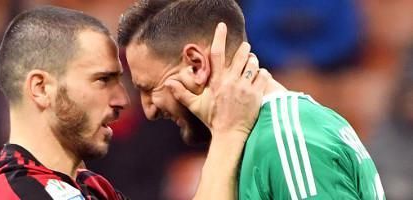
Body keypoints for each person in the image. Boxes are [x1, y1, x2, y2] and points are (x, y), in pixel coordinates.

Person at [0, 5, 269, 200]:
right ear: (41, 87)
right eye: (102, 80)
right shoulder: (7, 195)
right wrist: (228, 134)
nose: (123, 99)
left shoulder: (96, 190)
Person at [118, 0, 386, 199]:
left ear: (196, 65)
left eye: (150, 88)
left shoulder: (287, 138)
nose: (148, 109)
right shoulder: (257, 136)